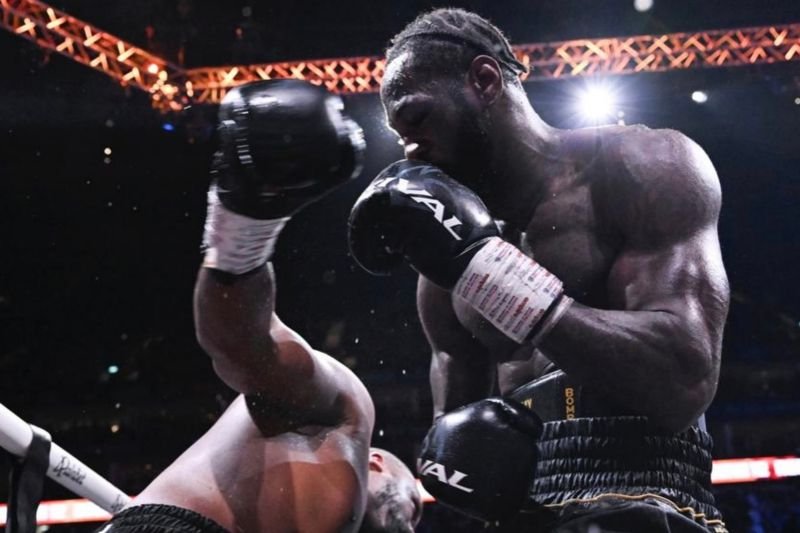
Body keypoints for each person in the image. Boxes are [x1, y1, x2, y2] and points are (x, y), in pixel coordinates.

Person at [349, 8, 729, 532]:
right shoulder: (441, 264)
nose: (410, 148)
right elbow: (456, 451)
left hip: (644, 487)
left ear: (484, 81)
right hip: (525, 513)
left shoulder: (643, 166)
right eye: (399, 135)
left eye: (416, 117)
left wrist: (491, 275)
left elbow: (683, 381)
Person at [96, 80, 422, 533]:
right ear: (377, 463)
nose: (414, 524)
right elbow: (247, 349)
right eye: (416, 505)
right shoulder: (347, 413)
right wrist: (247, 222)